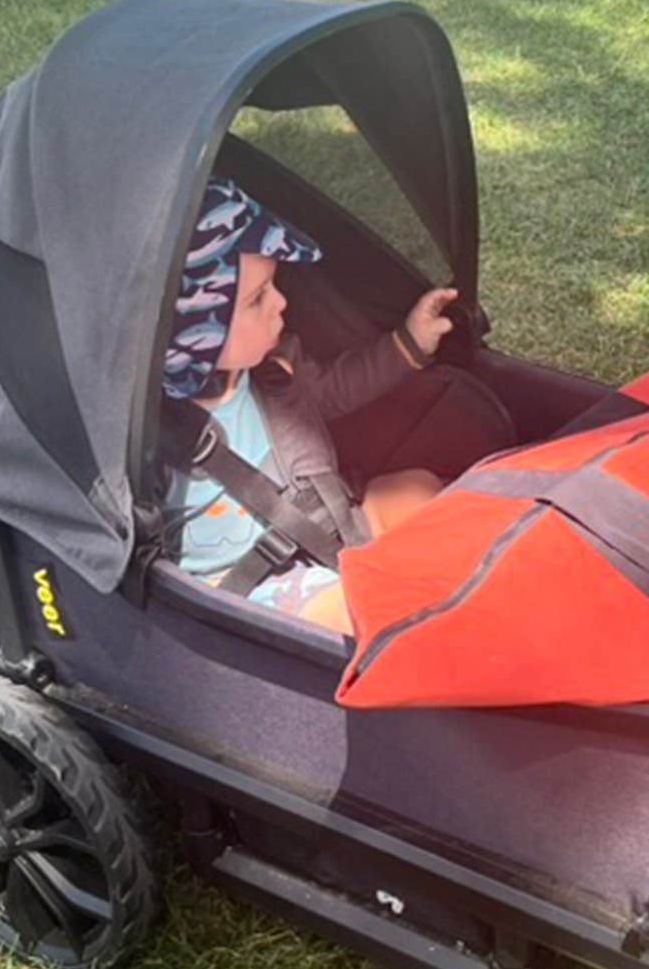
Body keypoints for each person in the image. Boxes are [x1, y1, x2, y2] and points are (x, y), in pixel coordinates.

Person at [158, 176, 454, 631]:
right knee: (349, 611)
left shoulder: (273, 371)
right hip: (254, 586)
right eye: (258, 299)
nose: (281, 302)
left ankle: (455, 595)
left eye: (273, 286)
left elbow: (336, 389)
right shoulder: (149, 434)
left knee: (419, 489)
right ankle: (423, 622)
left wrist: (406, 345)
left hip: (329, 523)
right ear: (196, 330)